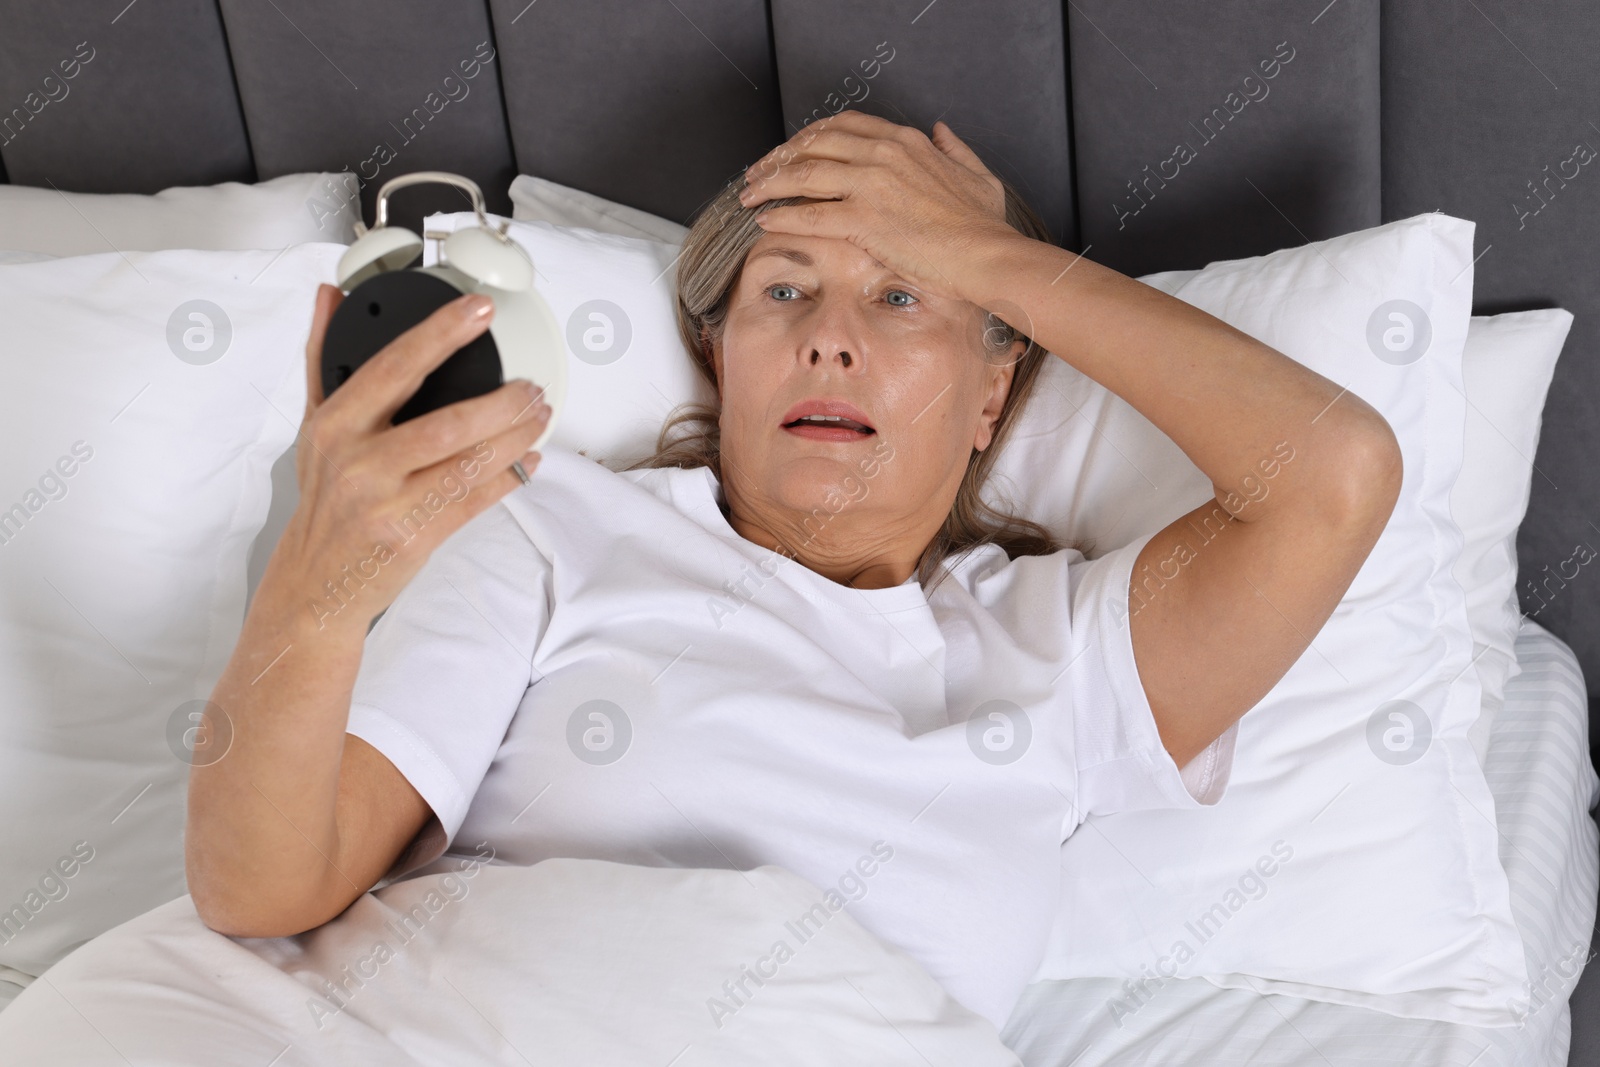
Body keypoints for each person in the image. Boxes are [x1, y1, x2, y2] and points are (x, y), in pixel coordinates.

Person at [185, 111, 1402, 1030]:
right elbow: (264, 888)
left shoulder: (1059, 656)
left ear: (994, 389)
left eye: (900, 293)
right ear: (722, 358)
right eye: (784, 290)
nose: (831, 334)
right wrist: (321, 574)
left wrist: (986, 254)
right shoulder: (554, 525)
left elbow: (1331, 472)